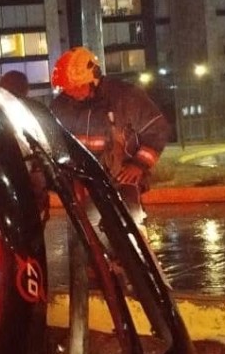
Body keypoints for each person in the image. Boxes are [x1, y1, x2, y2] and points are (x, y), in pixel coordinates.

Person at [49, 46, 170, 224]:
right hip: (84, 184)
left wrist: (138, 164)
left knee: (131, 226)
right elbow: (53, 142)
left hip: (123, 179)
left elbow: (157, 129)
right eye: (68, 88)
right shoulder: (61, 106)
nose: (72, 92)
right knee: (85, 236)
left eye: (77, 86)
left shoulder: (125, 97)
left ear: (93, 79)